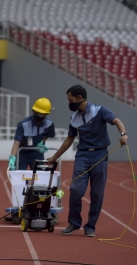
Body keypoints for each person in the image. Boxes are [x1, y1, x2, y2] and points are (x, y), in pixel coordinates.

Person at [46, 84, 128, 237]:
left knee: (97, 193)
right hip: (82, 156)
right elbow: (69, 139)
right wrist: (54, 157)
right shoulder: (74, 117)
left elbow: (116, 120)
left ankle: (90, 226)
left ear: (79, 98)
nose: (69, 103)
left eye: (70, 100)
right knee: (76, 189)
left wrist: (123, 134)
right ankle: (74, 223)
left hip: (100, 155)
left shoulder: (100, 110)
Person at [8, 98, 56, 171]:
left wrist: (42, 142)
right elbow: (16, 143)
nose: (39, 116)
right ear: (33, 111)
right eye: (37, 113)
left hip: (37, 152)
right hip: (22, 152)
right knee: (19, 176)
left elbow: (47, 135)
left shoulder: (49, 123)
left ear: (46, 114)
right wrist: (12, 158)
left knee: (39, 176)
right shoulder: (23, 124)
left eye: (42, 114)